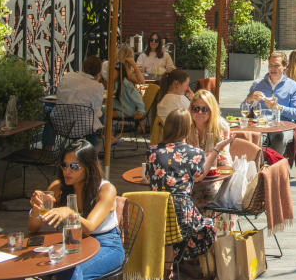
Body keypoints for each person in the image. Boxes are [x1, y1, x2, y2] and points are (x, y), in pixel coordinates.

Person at [29, 141, 125, 280]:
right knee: (46, 266)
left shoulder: (105, 190)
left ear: (88, 167)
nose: (67, 171)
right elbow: (33, 228)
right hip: (71, 244)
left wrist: (70, 212)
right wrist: (35, 209)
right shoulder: (58, 188)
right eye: (64, 165)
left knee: (70, 271)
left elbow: (89, 228)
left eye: (74, 166)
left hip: (106, 244)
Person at [147, 110, 228, 264]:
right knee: (209, 226)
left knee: (169, 231)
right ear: (187, 128)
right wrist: (216, 150)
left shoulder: (153, 151)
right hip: (183, 213)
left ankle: (170, 266)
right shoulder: (194, 153)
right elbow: (200, 176)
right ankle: (190, 265)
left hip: (156, 211)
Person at [245, 51, 296, 155]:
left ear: (285, 66)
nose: (272, 69)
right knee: (251, 140)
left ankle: (273, 165)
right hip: (260, 126)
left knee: (279, 138)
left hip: (282, 126)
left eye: (276, 66)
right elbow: (243, 109)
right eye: (270, 65)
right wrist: (249, 100)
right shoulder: (257, 85)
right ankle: (261, 165)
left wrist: (279, 108)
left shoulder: (293, 86)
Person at [187, 89, 234, 205]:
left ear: (212, 110)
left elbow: (221, 160)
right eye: (196, 108)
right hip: (193, 177)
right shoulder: (187, 126)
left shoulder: (220, 126)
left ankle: (209, 223)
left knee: (211, 194)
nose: (200, 113)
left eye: (205, 109)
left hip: (217, 176)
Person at [55, 55, 105, 145]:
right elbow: (97, 111)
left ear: (83, 66)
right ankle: (91, 151)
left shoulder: (68, 77)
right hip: (82, 128)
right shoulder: (97, 86)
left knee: (49, 114)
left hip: (59, 123)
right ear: (99, 71)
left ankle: (47, 147)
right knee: (99, 115)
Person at [111, 56, 146, 131]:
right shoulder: (117, 83)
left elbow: (138, 98)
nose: (110, 74)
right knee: (103, 112)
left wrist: (140, 111)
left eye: (112, 71)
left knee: (105, 115)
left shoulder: (126, 84)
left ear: (119, 72)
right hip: (121, 108)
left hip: (127, 111)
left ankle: (109, 134)